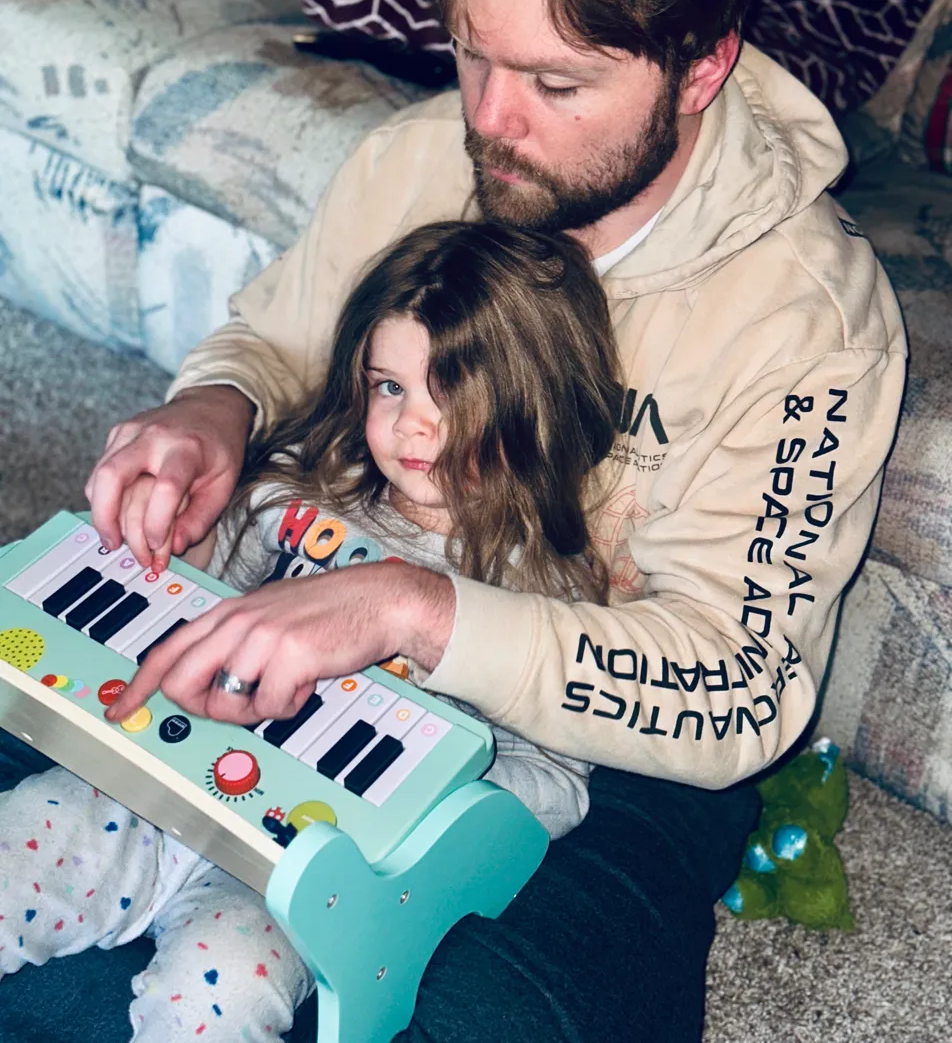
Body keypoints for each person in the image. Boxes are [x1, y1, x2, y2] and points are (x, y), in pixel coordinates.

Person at [2, 0, 906, 1041]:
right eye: (473, 52)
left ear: (700, 66)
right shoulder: (420, 155)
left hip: (596, 746)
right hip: (316, 582)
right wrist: (211, 407)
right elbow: (275, 337)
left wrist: (415, 615)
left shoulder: (809, 318)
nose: (489, 122)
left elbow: (738, 691)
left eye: (554, 82)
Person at [0, 221, 620, 1041]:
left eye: (451, 390)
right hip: (146, 787)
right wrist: (176, 537)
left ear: (534, 400)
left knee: (215, 1001)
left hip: (293, 876)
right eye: (389, 386)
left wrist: (428, 806)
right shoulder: (307, 479)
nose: (412, 426)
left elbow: (559, 780)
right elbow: (201, 587)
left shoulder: (543, 588)